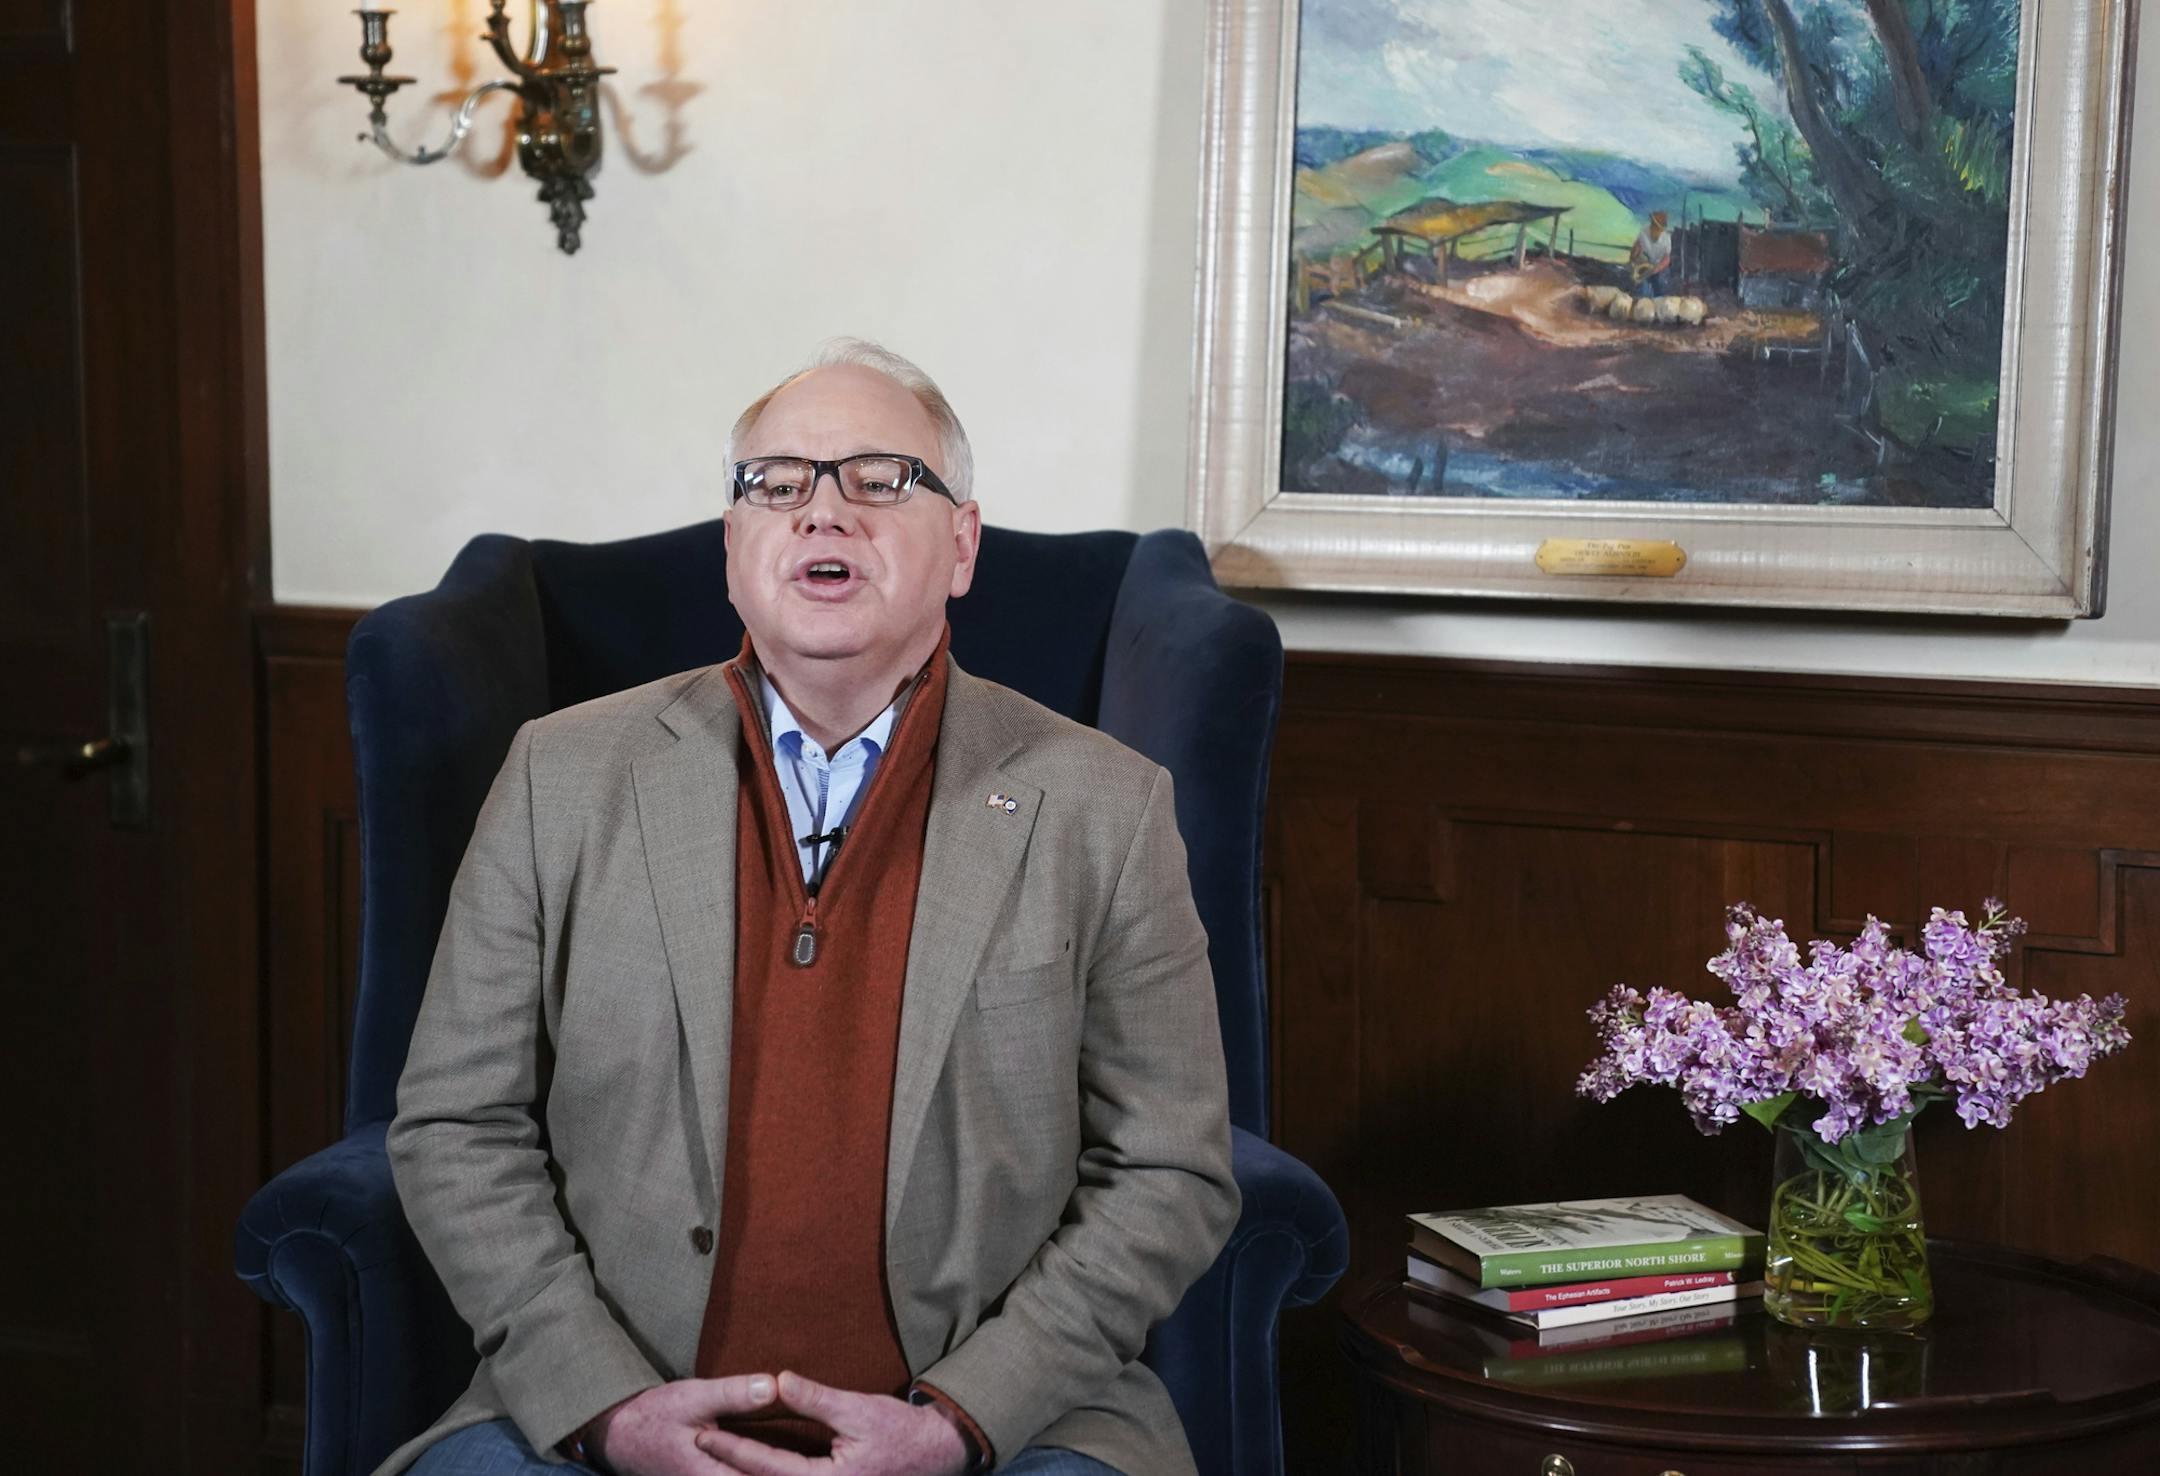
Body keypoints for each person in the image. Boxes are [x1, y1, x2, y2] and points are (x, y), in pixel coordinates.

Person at [376, 339, 1240, 1476]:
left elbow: (1169, 1168)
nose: (823, 513)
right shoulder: (561, 776)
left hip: (1002, 1430)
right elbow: (456, 1126)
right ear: (733, 548)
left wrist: (958, 1422)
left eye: (881, 479)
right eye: (776, 484)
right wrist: (607, 1405)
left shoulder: (1105, 806)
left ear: (963, 546)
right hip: (597, 1419)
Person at [1629, 210, 1674, 298]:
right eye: (1654, 225)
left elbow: (1667, 258)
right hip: (1645, 264)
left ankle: (1659, 301)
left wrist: (1657, 268)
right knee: (1641, 287)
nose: (1656, 229)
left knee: (1660, 284)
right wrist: (1635, 254)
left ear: (1662, 229)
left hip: (1659, 267)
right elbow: (1637, 247)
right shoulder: (1643, 232)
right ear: (1652, 223)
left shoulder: (1666, 238)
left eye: (1659, 227)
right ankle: (1643, 301)